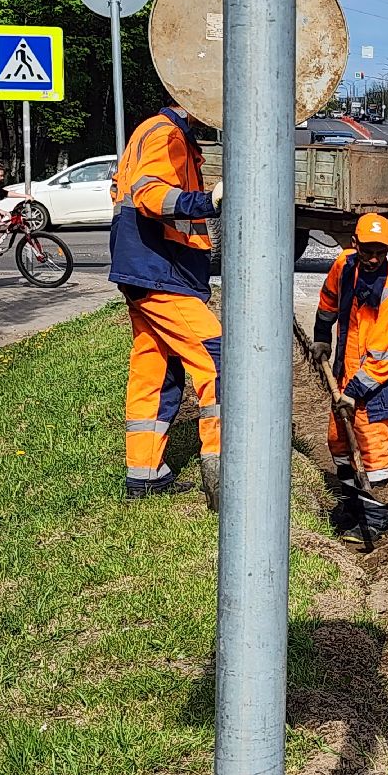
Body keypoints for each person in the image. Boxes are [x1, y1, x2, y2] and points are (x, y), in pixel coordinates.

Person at [108, 104, 223, 507]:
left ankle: (144, 474)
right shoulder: (167, 134)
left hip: (148, 269)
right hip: (160, 272)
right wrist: (206, 201)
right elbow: (149, 192)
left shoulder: (157, 131)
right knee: (216, 356)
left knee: (154, 368)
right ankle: (223, 469)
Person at [312, 213, 388, 544]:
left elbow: (384, 358)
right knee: (338, 440)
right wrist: (322, 336)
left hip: (379, 380)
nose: (374, 258)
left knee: (371, 444)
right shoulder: (345, 265)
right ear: (355, 245)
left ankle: (377, 515)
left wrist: (353, 392)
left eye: (381, 251)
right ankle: (352, 505)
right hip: (346, 371)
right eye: (368, 251)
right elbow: (328, 301)